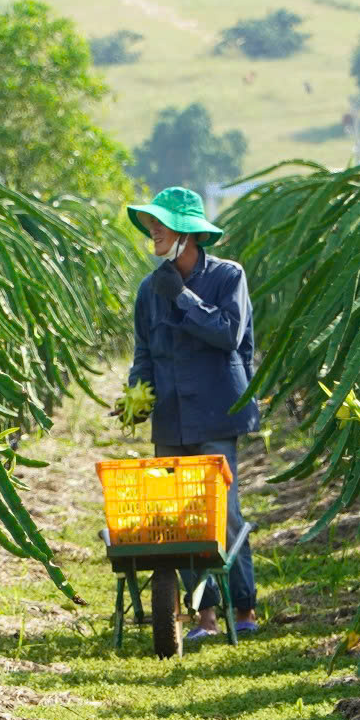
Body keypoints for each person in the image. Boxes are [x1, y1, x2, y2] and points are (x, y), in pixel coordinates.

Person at [124, 186, 258, 642]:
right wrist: (135, 397)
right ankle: (205, 618)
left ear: (188, 233)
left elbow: (226, 333)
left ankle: (245, 607)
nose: (153, 230)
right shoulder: (149, 289)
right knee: (180, 522)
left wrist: (182, 297)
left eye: (161, 223)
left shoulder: (227, 277)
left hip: (218, 412)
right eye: (152, 223)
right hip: (173, 418)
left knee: (224, 515)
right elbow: (144, 352)